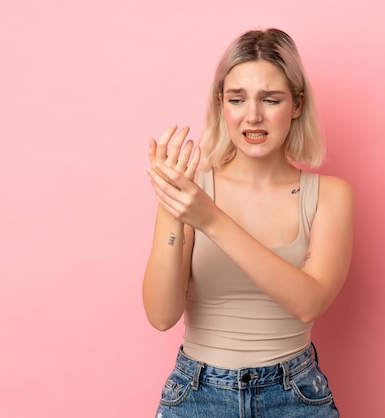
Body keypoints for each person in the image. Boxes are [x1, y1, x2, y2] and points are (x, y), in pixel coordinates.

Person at [143, 28, 354, 417]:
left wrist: (209, 218)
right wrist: (173, 205)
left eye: (270, 99)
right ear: (221, 103)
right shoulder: (191, 187)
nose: (252, 116)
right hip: (197, 394)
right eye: (237, 99)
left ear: (296, 104)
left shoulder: (330, 195)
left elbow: (309, 302)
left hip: (295, 396)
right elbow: (160, 315)